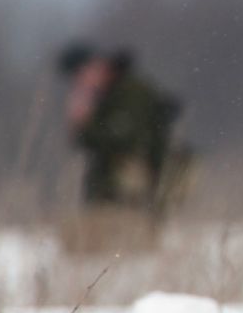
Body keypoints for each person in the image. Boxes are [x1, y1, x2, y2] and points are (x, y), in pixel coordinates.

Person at [55, 44, 185, 249]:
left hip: (135, 182)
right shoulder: (109, 93)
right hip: (120, 184)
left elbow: (124, 138)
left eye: (80, 75)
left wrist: (84, 124)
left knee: (125, 240)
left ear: (93, 67)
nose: (80, 82)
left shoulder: (130, 91)